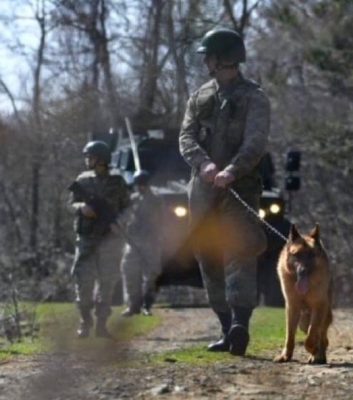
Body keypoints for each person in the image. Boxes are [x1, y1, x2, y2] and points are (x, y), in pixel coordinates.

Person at [178, 28, 270, 356]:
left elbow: (256, 142)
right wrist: (203, 165)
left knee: (239, 250)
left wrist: (232, 170)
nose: (205, 61)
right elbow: (186, 137)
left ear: (223, 58)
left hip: (240, 187)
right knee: (207, 254)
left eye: (209, 55)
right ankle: (224, 326)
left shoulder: (254, 97)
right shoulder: (200, 96)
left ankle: (240, 325)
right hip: (202, 190)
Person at [68, 140, 130, 338]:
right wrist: (81, 208)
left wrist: (118, 223)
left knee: (107, 282)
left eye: (91, 156)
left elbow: (127, 208)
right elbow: (72, 203)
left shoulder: (117, 181)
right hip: (86, 237)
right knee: (82, 280)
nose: (87, 160)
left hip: (109, 239)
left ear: (101, 159)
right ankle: (85, 321)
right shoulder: (83, 179)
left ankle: (102, 324)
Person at [119, 170, 165, 317]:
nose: (140, 187)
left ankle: (147, 304)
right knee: (129, 272)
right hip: (133, 241)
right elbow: (124, 216)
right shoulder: (132, 199)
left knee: (151, 275)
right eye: (138, 184)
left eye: (143, 184)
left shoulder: (156, 199)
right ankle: (133, 305)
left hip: (151, 241)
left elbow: (162, 218)